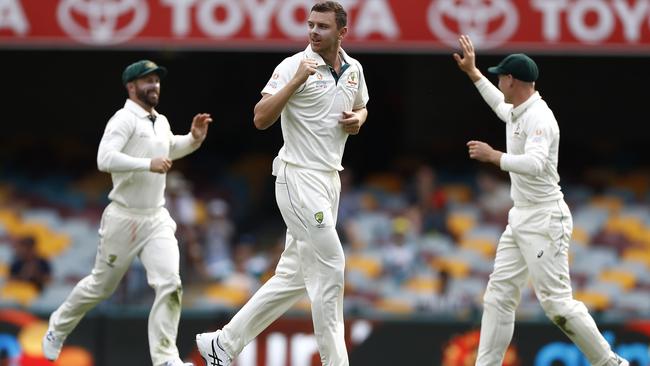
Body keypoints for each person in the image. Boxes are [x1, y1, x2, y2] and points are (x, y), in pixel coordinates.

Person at [195, 2, 369, 365]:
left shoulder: (354, 69)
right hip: (297, 176)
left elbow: (362, 105)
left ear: (342, 32)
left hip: (329, 180)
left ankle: (223, 343)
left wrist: (359, 119)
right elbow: (260, 118)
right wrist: (295, 82)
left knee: (293, 276)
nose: (314, 31)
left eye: (323, 26)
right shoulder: (293, 65)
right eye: (310, 25)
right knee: (331, 265)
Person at [453, 35, 628, 366]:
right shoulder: (520, 110)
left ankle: (611, 363)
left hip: (545, 219)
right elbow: (499, 106)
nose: (499, 80)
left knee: (557, 305)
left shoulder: (540, 118)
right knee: (498, 297)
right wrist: (474, 74)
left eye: (500, 76)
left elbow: (534, 164)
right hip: (520, 217)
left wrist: (495, 157)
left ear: (512, 80)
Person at [42, 60, 212, 366]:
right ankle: (58, 326)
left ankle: (165, 359)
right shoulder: (123, 120)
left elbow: (169, 148)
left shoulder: (159, 121)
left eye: (156, 81)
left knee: (170, 284)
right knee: (100, 287)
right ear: (131, 87)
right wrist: (147, 163)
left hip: (156, 217)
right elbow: (104, 158)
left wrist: (193, 139)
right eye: (147, 81)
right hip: (123, 218)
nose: (154, 86)